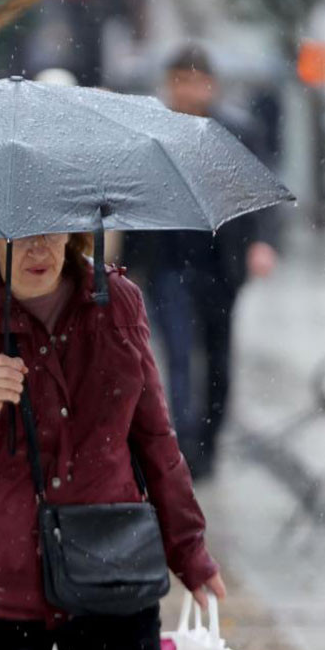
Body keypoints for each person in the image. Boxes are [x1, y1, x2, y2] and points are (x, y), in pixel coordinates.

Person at [0, 231, 227, 650]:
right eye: (19, 236)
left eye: (51, 230)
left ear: (72, 231)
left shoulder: (116, 301)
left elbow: (155, 438)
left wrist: (189, 550)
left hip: (112, 564)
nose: (38, 249)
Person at [126, 44, 281, 480]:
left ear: (210, 84)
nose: (187, 91)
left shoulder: (237, 131)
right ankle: (186, 447)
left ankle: (209, 444)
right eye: (178, 81)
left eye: (194, 81)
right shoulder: (151, 133)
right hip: (166, 263)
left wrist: (262, 243)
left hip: (221, 262)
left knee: (218, 359)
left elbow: (261, 193)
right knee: (176, 355)